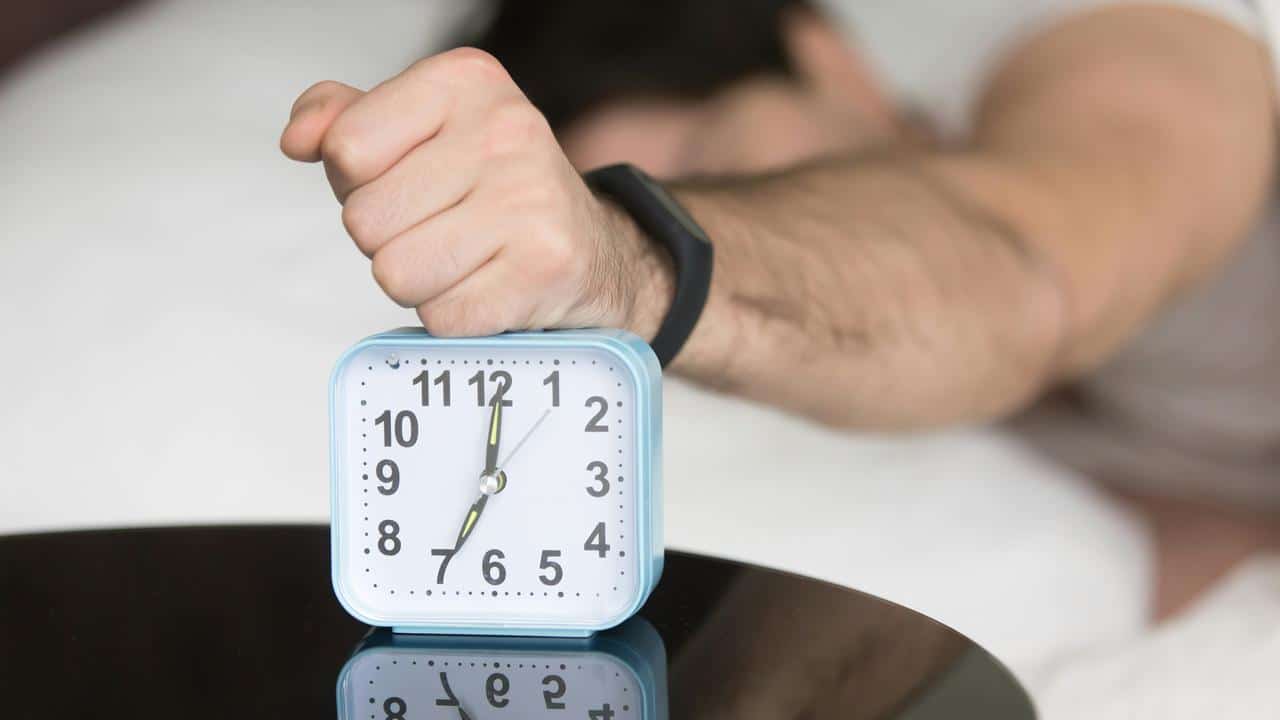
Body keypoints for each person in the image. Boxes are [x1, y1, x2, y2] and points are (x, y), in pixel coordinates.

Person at [279, 0, 1278, 615]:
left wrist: (632, 259)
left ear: (825, 58)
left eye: (714, 168)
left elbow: (1020, 269)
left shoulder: (1134, 49)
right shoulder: (943, 425)